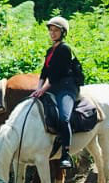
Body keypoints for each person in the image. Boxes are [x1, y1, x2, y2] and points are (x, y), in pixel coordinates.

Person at [30, 15, 80, 169]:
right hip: (53, 86)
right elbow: (45, 71)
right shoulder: (50, 50)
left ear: (63, 32)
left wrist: (43, 89)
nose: (52, 33)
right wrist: (38, 89)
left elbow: (57, 74)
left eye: (56, 30)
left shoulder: (65, 49)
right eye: (51, 30)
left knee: (64, 117)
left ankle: (66, 154)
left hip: (66, 87)